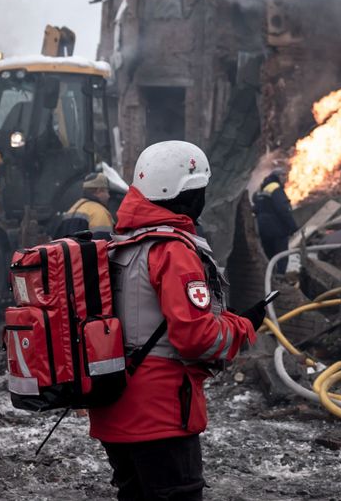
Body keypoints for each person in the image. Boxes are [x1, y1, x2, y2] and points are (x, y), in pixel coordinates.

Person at [88, 140, 259, 500]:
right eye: (200, 190)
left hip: (114, 407)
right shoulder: (173, 250)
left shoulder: (120, 246)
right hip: (159, 413)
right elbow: (194, 338)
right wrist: (243, 327)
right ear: (185, 194)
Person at [252, 169, 298, 273]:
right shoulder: (275, 188)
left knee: (269, 256)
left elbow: (255, 208)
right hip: (277, 229)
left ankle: (270, 279)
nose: (285, 180)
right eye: (284, 176)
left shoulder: (261, 189)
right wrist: (293, 227)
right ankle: (280, 279)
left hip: (263, 230)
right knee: (282, 256)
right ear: (278, 177)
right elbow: (283, 209)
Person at [56, 173, 115, 239]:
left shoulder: (71, 211)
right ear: (99, 191)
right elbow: (104, 244)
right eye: (107, 192)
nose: (108, 196)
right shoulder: (99, 213)